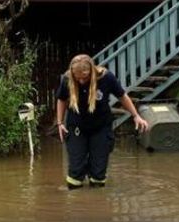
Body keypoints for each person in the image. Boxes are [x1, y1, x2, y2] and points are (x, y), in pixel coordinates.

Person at [55, 54, 149, 189]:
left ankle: (97, 201)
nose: (81, 81)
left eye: (85, 77)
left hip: (101, 127)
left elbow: (122, 96)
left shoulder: (106, 78)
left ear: (92, 71)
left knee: (98, 175)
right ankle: (76, 203)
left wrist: (136, 116)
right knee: (75, 173)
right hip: (77, 128)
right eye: (78, 77)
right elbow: (62, 99)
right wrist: (59, 123)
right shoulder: (67, 79)